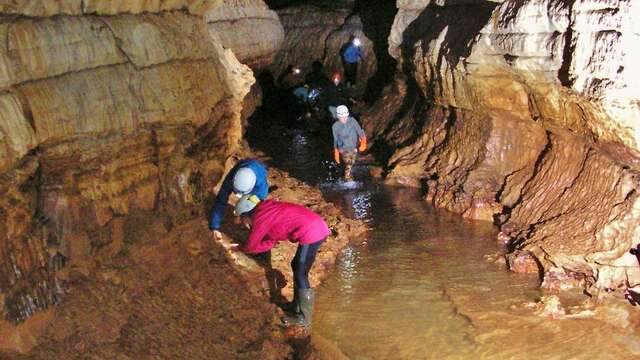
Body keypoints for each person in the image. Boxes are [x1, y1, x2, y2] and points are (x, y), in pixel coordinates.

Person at [231, 195, 330, 328]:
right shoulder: (266, 211)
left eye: (243, 219)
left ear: (247, 214)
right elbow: (269, 242)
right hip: (315, 227)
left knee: (301, 272)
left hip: (312, 231)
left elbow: (251, 244)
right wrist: (248, 248)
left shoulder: (261, 217)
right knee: (296, 265)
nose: (246, 224)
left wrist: (238, 248)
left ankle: (303, 318)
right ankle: (296, 305)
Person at [209, 159, 269, 241]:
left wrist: (242, 215)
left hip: (258, 173)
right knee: (223, 197)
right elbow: (221, 199)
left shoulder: (261, 187)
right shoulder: (232, 178)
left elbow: (259, 208)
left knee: (255, 209)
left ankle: (258, 238)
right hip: (244, 166)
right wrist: (214, 227)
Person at [332, 105, 367, 181]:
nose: (344, 119)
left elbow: (360, 132)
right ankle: (348, 182)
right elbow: (336, 140)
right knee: (349, 164)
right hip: (344, 149)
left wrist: (363, 142)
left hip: (355, 147)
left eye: (345, 117)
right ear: (338, 116)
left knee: (352, 163)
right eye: (342, 117)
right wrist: (336, 152)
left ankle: (347, 179)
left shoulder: (352, 121)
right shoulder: (335, 126)